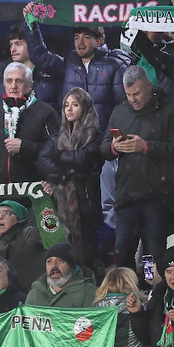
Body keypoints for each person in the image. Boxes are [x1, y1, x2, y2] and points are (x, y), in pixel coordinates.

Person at [102, 66, 174, 270]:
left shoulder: (168, 109)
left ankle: (151, 286)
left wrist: (145, 146)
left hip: (156, 197)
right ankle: (128, 287)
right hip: (126, 196)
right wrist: (114, 147)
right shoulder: (119, 111)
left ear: (149, 86)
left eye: (136, 94)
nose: (132, 100)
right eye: (128, 95)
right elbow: (103, 147)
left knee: (152, 255)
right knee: (123, 251)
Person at [22, 13, 127, 129]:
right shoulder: (68, 64)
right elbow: (40, 56)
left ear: (99, 41)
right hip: (72, 136)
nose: (80, 42)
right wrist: (31, 25)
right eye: (77, 37)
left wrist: (107, 136)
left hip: (102, 137)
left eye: (86, 37)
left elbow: (121, 108)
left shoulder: (114, 66)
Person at [38, 88, 105, 268]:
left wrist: (59, 156)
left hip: (87, 202)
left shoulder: (96, 137)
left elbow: (85, 157)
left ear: (85, 108)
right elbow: (43, 160)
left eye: (75, 105)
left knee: (88, 252)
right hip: (61, 204)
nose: (69, 109)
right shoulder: (56, 138)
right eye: (66, 105)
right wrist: (63, 174)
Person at [0, 63, 60, 184]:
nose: (13, 86)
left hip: (35, 187)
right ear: (4, 85)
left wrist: (24, 146)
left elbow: (57, 150)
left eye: (19, 81)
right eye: (9, 81)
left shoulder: (46, 112)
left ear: (29, 85)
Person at [25, 242, 97, 307]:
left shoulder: (88, 292)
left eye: (60, 261)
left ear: (71, 266)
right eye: (49, 261)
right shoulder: (35, 294)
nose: (54, 266)